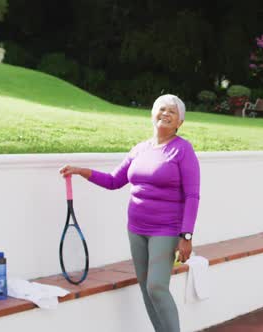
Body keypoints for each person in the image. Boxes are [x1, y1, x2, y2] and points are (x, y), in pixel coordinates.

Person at [60, 94, 200, 332]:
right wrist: (82, 171)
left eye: (172, 112)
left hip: (165, 229)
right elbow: (114, 181)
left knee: (157, 286)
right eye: (162, 109)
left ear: (179, 122)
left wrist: (186, 236)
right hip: (136, 228)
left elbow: (192, 196)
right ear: (153, 114)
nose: (166, 114)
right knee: (146, 287)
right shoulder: (140, 149)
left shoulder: (182, 150)